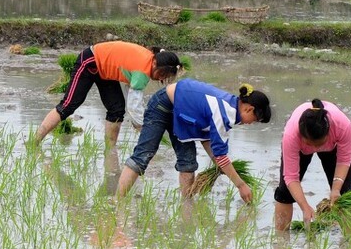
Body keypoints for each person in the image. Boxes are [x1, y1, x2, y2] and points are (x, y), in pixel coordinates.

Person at [116, 80, 271, 203]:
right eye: (255, 120)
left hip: (182, 112)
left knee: (188, 164)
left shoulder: (230, 108)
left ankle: (186, 207)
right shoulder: (225, 112)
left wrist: (219, 166)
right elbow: (221, 156)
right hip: (163, 104)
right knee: (143, 155)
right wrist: (241, 185)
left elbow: (207, 140)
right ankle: (117, 203)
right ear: (249, 109)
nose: (251, 124)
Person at [33, 42, 182, 146]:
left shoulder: (149, 60)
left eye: (165, 77)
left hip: (105, 71)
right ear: (156, 64)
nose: (161, 78)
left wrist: (138, 122)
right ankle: (35, 141)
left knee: (116, 110)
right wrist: (143, 127)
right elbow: (134, 106)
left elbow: (129, 93)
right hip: (91, 61)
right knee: (68, 105)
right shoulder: (143, 71)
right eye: (162, 74)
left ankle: (110, 150)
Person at [274, 98, 351, 230]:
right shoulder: (291, 135)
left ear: (328, 133)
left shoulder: (342, 125)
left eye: (319, 144)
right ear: (301, 136)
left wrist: (336, 189)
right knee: (285, 192)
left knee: (344, 194)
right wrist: (304, 206)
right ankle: (281, 240)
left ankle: (349, 243)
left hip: (332, 148)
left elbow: (344, 160)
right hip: (300, 150)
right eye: (310, 144)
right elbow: (291, 177)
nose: (315, 148)